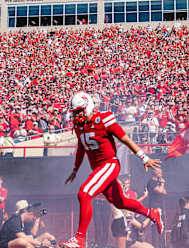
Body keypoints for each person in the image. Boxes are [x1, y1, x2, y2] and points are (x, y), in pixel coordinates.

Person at [60, 92, 163, 248]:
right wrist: (75, 170)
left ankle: (79, 239)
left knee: (84, 193)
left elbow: (125, 138)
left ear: (88, 107)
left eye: (79, 111)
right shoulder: (79, 125)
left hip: (109, 164)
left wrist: (144, 157)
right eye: (74, 112)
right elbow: (81, 147)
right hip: (99, 168)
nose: (77, 115)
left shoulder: (103, 119)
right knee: (120, 202)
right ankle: (151, 213)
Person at [145, 168, 166, 247]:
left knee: (161, 228)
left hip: (160, 208)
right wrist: (162, 183)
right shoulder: (151, 183)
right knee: (156, 230)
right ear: (157, 174)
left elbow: (164, 192)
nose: (162, 175)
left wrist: (161, 184)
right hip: (154, 208)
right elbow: (160, 191)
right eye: (161, 173)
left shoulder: (158, 183)